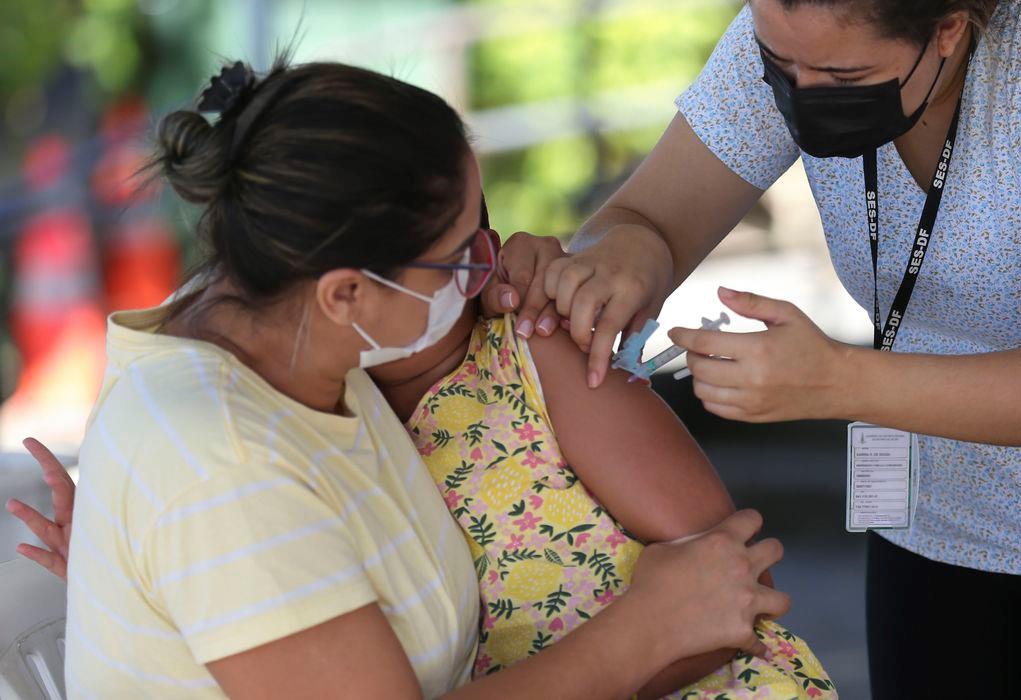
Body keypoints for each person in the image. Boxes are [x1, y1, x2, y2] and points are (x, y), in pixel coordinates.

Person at [2, 57, 791, 699]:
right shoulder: (223, 462)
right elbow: (220, 493)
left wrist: (162, 581)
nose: (496, 264)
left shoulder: (279, 337)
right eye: (459, 256)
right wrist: (646, 628)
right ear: (345, 293)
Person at [481, 1, 1021, 698]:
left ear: (949, 29)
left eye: (845, 74)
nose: (802, 93)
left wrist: (836, 381)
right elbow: (646, 218)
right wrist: (620, 259)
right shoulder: (796, 27)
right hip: (929, 522)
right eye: (780, 67)